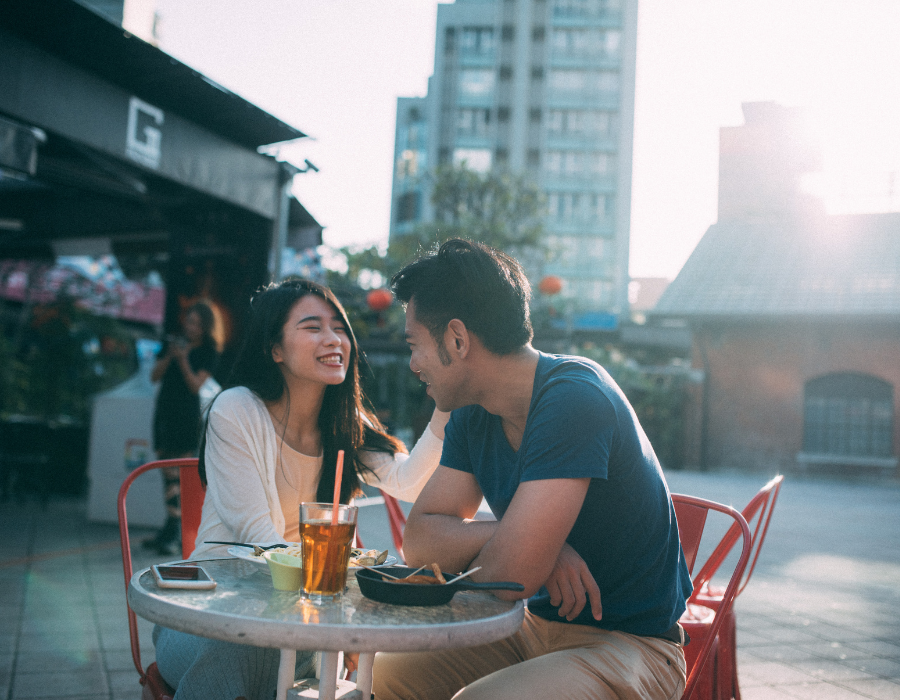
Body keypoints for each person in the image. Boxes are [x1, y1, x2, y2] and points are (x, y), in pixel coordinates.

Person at [373, 240, 693, 700]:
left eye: (415, 345)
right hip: (531, 628)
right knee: (389, 672)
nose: (413, 364)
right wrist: (525, 539)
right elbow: (419, 542)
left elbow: (512, 576)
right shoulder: (472, 411)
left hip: (629, 645)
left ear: (457, 340)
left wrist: (524, 552)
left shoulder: (574, 398)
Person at [153, 278, 449, 700]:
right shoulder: (236, 410)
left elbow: (409, 481)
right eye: (313, 327)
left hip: (297, 623)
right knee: (246, 656)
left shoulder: (344, 424)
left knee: (346, 670)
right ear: (275, 348)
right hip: (210, 614)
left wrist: (445, 404)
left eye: (340, 328)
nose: (334, 339)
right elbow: (259, 537)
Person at [144, 301, 219, 555]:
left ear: (205, 327)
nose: (191, 327)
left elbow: (196, 386)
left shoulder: (209, 350)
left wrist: (184, 360)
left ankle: (174, 531)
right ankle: (171, 527)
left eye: (197, 323)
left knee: (181, 474)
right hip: (165, 411)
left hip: (186, 415)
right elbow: (153, 376)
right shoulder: (172, 343)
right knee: (167, 474)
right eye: (189, 321)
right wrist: (170, 356)